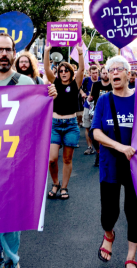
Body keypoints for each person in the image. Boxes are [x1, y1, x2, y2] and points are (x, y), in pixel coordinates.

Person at [0, 32, 58, 268]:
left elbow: (35, 118)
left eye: (8, 50)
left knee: (13, 211)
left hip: (16, 160)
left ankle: (11, 259)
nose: (4, 54)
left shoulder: (26, 83)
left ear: (14, 53)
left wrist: (49, 96)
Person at [91, 55, 137, 268]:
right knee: (109, 212)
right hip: (110, 164)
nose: (114, 73)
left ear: (129, 74)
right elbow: (96, 132)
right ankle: (109, 234)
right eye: (110, 70)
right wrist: (120, 147)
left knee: (133, 210)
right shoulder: (104, 100)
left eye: (119, 69)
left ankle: (131, 255)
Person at [45, 42, 84, 200]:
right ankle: (55, 183)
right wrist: (47, 51)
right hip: (54, 125)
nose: (63, 73)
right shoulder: (54, 83)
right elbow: (47, 69)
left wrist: (80, 54)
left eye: (66, 70)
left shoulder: (75, 84)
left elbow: (81, 69)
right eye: (60, 71)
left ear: (70, 72)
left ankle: (64, 187)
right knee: (52, 159)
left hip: (71, 126)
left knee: (67, 159)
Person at [88, 66, 112, 167]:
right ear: (100, 74)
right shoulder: (96, 84)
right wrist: (89, 99)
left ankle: (108, 156)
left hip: (110, 113)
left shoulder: (112, 84)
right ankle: (98, 152)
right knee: (93, 134)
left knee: (108, 135)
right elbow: (91, 97)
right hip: (98, 112)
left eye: (107, 73)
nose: (105, 75)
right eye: (103, 73)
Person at [81, 65, 100, 155]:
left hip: (98, 106)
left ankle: (99, 148)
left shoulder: (101, 80)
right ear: (89, 73)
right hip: (87, 106)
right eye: (93, 73)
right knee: (87, 126)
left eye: (96, 72)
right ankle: (89, 147)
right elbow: (79, 88)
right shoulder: (86, 80)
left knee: (99, 127)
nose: (95, 75)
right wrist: (83, 93)